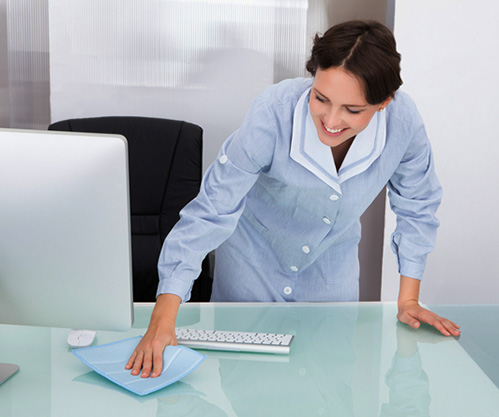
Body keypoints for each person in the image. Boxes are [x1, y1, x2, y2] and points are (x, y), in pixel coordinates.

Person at [126, 20, 460, 378]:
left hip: (331, 273)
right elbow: (212, 208)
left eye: (352, 109)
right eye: (321, 98)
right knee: (249, 382)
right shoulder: (273, 111)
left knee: (328, 386)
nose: (331, 120)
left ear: (384, 103)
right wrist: (164, 315)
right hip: (251, 268)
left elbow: (417, 204)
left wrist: (408, 299)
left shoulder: (402, 121)